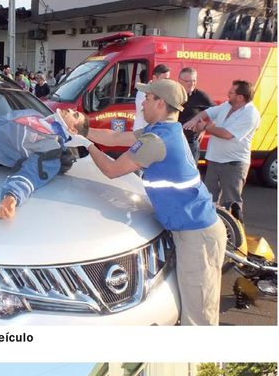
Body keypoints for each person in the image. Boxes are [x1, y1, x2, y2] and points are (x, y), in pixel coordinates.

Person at [84, 78, 226, 325]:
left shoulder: (157, 141)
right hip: (191, 230)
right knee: (191, 307)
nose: (142, 105)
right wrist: (83, 129)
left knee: (199, 317)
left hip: (198, 236)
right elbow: (117, 138)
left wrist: (86, 146)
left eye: (148, 99)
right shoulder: (163, 129)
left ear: (161, 103)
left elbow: (112, 169)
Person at [184, 80, 260, 220]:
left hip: (234, 163)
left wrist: (205, 128)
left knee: (231, 203)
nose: (227, 94)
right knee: (209, 199)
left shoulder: (250, 114)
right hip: (215, 159)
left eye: (231, 93)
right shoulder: (227, 105)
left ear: (240, 97)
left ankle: (236, 236)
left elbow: (227, 134)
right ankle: (211, 230)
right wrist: (194, 121)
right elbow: (207, 112)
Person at [177, 66, 213, 163]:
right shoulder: (173, 94)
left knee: (189, 174)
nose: (192, 84)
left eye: (194, 80)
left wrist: (204, 128)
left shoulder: (200, 96)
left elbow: (216, 113)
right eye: (188, 81)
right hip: (173, 142)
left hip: (190, 143)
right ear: (179, 80)